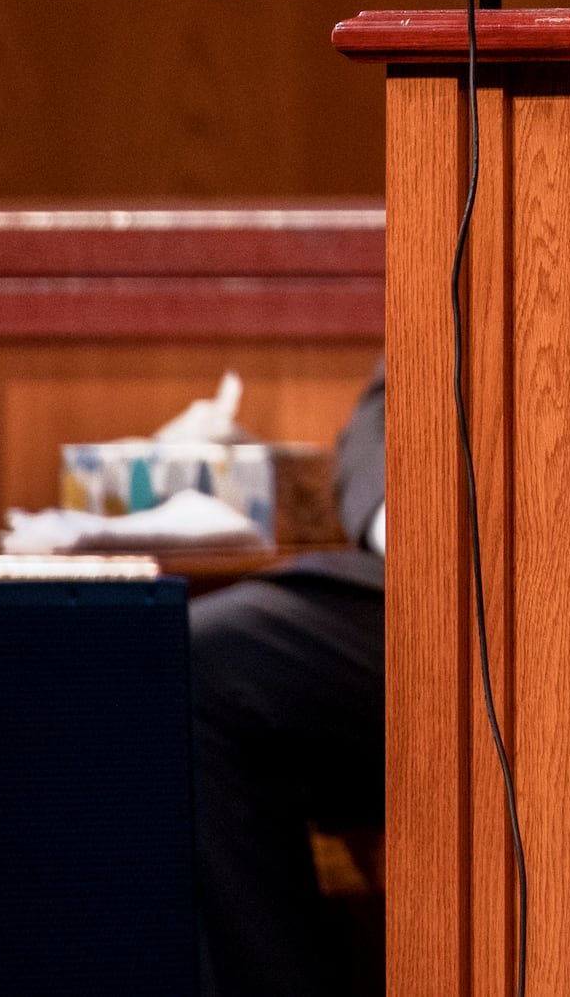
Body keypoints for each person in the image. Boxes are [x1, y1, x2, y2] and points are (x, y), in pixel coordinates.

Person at [191, 362, 387, 997]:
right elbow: (389, 405)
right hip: (418, 591)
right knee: (186, 662)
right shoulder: (467, 266)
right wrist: (400, 516)